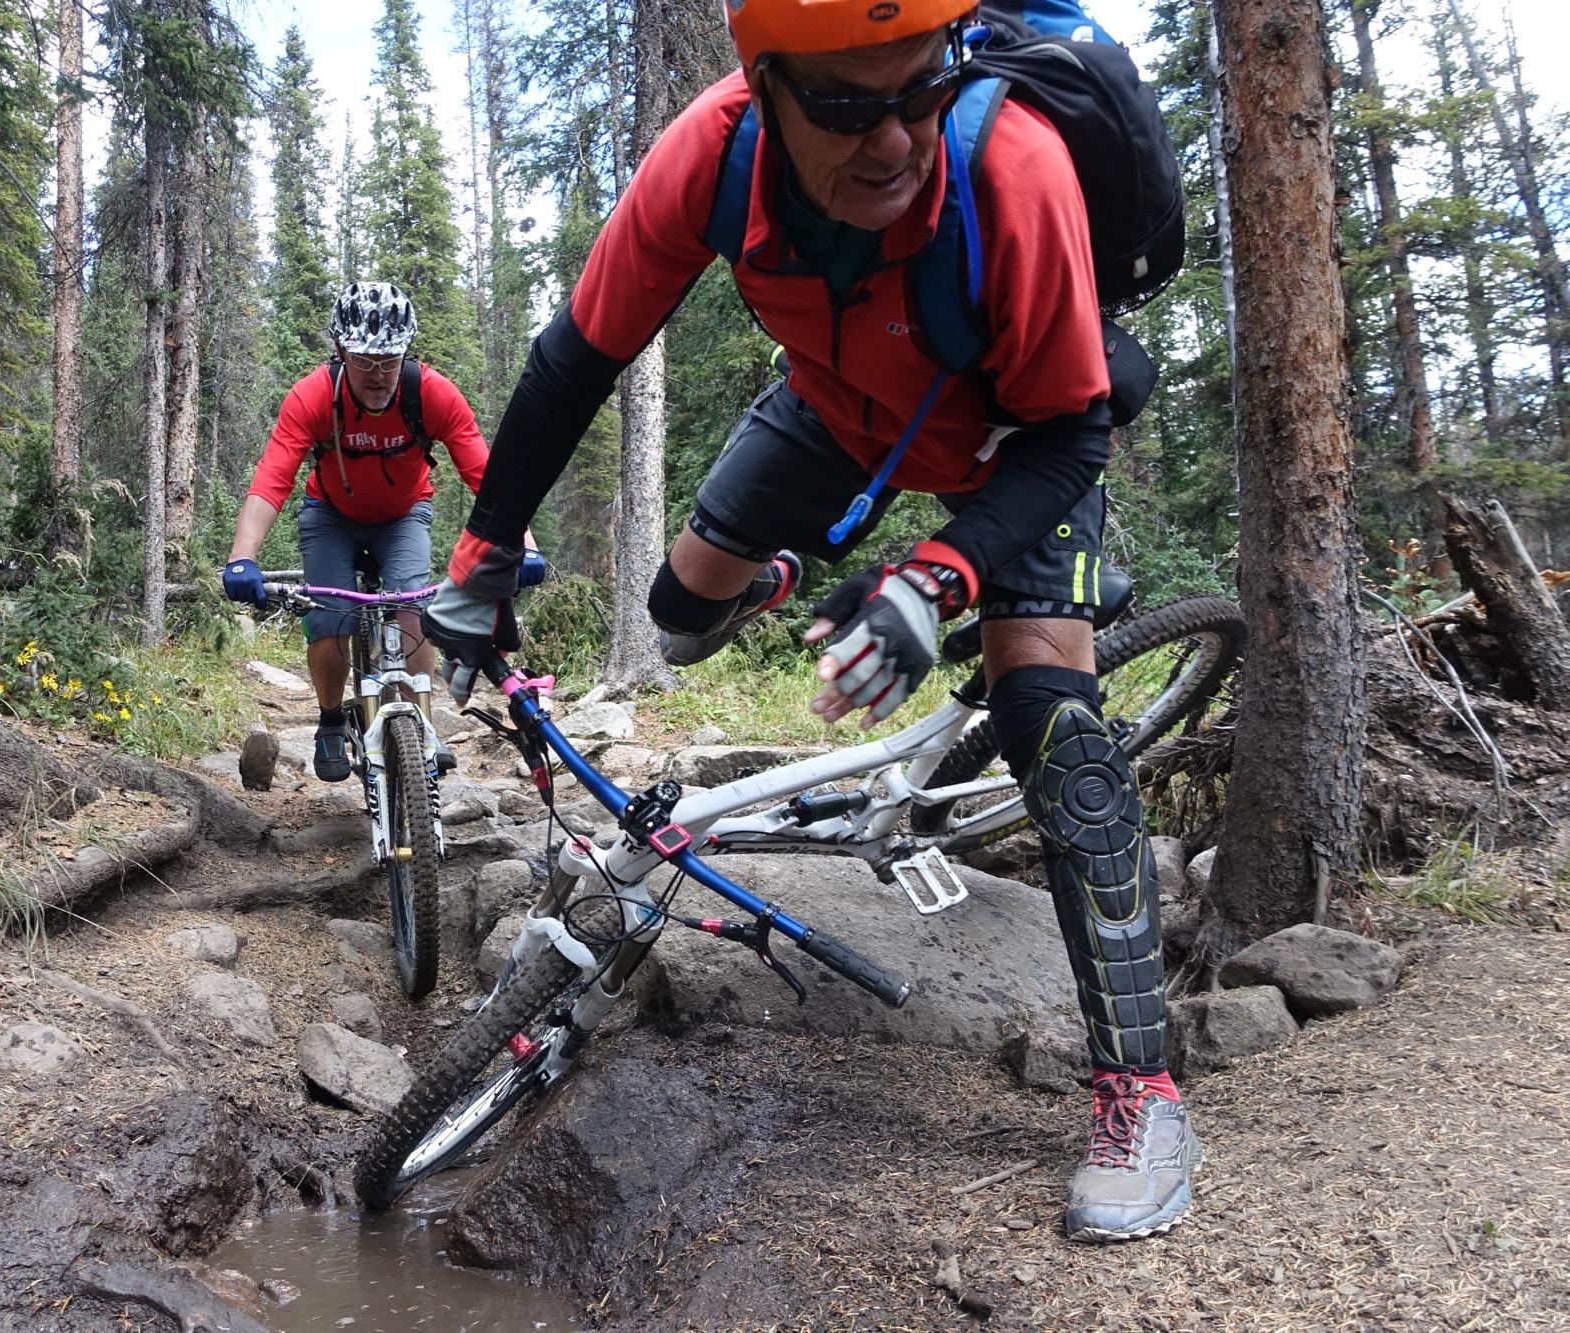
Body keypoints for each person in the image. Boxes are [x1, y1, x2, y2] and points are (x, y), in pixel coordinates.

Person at [425, 2, 1196, 1242]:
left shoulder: (1012, 165)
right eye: (846, 106)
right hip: (836, 411)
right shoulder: (708, 154)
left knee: (1045, 709)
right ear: (764, 89)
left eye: (920, 91)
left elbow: (1071, 433)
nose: (892, 140)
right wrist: (477, 558)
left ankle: (1139, 1095)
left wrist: (933, 579)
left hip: (1009, 438)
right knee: (679, 612)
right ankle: (805, 578)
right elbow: (575, 359)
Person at [222, 281, 526, 781]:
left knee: (413, 607)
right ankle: (328, 720)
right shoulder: (313, 395)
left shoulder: (431, 393)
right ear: (341, 352)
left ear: (405, 353)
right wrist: (242, 557)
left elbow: (487, 479)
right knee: (330, 617)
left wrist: (525, 547)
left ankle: (422, 725)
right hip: (330, 516)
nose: (378, 374)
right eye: (364, 361)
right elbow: (273, 477)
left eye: (389, 360)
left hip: (405, 515)